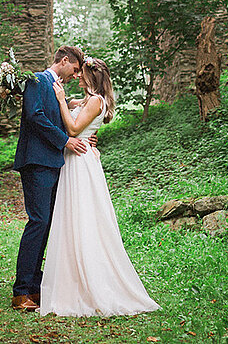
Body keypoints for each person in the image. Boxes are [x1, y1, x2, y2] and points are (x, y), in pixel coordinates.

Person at [39, 57, 160, 317]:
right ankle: (71, 278)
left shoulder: (95, 101)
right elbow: (72, 111)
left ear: (91, 77)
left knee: (84, 220)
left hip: (80, 164)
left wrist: (60, 99)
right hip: (76, 162)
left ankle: (89, 280)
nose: (78, 77)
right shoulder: (87, 100)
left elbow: (72, 128)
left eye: (81, 74)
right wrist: (61, 99)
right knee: (73, 220)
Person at [12, 45, 92, 311]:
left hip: (52, 162)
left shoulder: (57, 88)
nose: (75, 75)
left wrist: (72, 118)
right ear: (65, 61)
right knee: (38, 222)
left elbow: (55, 118)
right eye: (75, 69)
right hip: (36, 161)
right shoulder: (36, 79)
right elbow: (34, 116)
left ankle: (35, 289)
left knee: (47, 225)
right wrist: (65, 140)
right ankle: (21, 291)